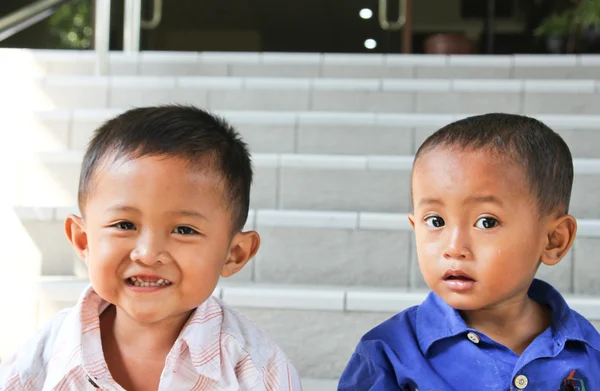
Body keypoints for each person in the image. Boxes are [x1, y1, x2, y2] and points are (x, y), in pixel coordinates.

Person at [0, 105, 302, 390]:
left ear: (234, 254)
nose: (147, 253)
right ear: (83, 240)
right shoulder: (43, 356)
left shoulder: (257, 370)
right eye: (124, 225)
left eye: (184, 230)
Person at [338, 113, 600, 390]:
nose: (453, 248)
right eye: (435, 221)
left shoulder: (589, 354)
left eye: (486, 222)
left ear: (552, 240)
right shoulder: (388, 354)